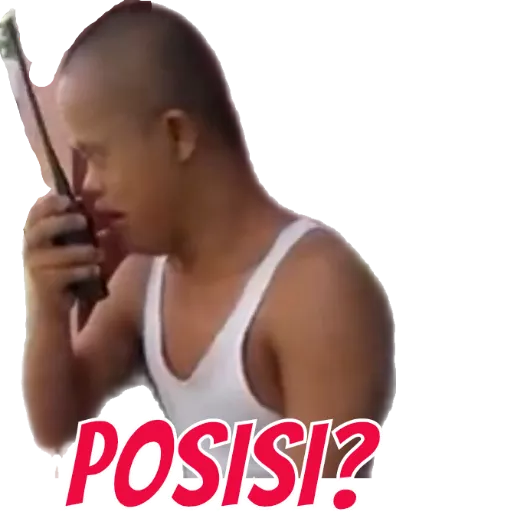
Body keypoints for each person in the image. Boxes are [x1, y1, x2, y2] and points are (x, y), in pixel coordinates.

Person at [21, 1, 395, 481]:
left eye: (98, 156)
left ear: (177, 135)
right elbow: (57, 426)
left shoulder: (316, 290)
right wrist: (49, 309)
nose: (88, 185)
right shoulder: (144, 278)